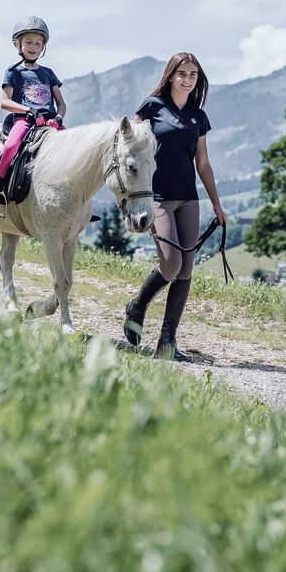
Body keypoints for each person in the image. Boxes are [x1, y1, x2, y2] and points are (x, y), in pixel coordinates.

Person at [123, 52, 226, 361]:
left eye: (193, 74)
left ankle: (167, 342)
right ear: (170, 75)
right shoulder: (152, 107)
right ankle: (137, 306)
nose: (188, 79)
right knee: (171, 265)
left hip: (188, 198)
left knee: (186, 270)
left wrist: (217, 205)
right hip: (156, 197)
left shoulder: (198, 116)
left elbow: (203, 163)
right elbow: (128, 143)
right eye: (182, 73)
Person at [0, 16, 67, 217]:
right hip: (25, 120)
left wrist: (58, 119)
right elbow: (4, 102)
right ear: (18, 44)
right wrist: (28, 111)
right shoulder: (13, 72)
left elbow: (61, 103)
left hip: (50, 123)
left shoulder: (49, 73)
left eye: (38, 43)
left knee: (73, 152)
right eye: (29, 42)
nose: (34, 47)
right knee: (10, 148)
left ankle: (76, 203)